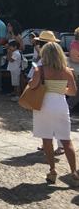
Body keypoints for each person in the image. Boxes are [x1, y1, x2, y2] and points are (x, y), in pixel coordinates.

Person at [28, 42, 78, 185]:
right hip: (61, 105)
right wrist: (62, 90)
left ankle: (52, 170)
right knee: (66, 140)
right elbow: (73, 92)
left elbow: (32, 85)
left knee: (47, 139)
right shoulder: (67, 71)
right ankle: (74, 171)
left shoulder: (40, 70)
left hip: (43, 105)